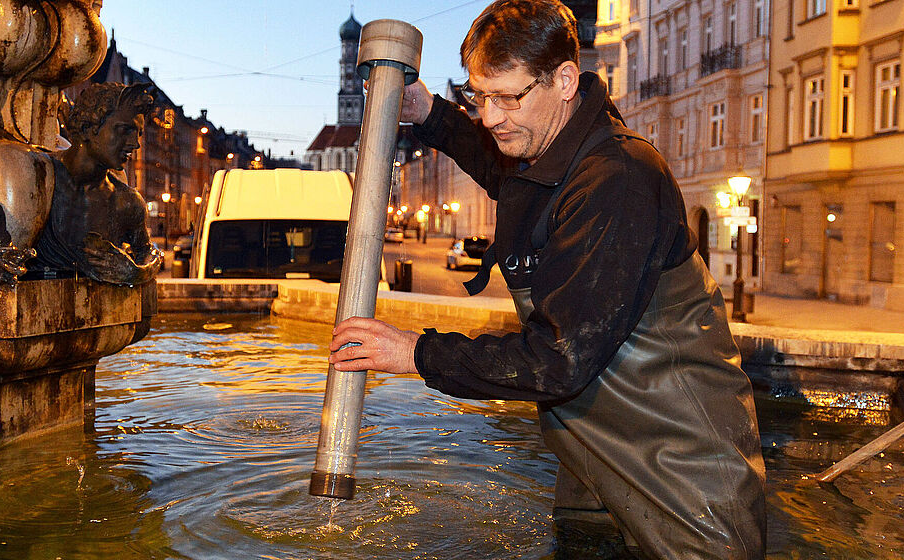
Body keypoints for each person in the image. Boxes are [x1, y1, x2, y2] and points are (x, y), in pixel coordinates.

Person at [328, 1, 766, 557]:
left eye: (508, 98)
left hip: (684, 481)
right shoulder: (552, 152)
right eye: (479, 95)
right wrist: (431, 112)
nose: (490, 117)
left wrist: (416, 352)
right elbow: (501, 169)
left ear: (564, 80)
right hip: (596, 464)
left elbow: (558, 359)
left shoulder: (618, 178)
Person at [36, 83, 163, 286]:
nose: (135, 143)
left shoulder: (127, 202)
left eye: (137, 133)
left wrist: (136, 273)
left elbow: (149, 252)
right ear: (87, 128)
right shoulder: (38, 177)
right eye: (124, 130)